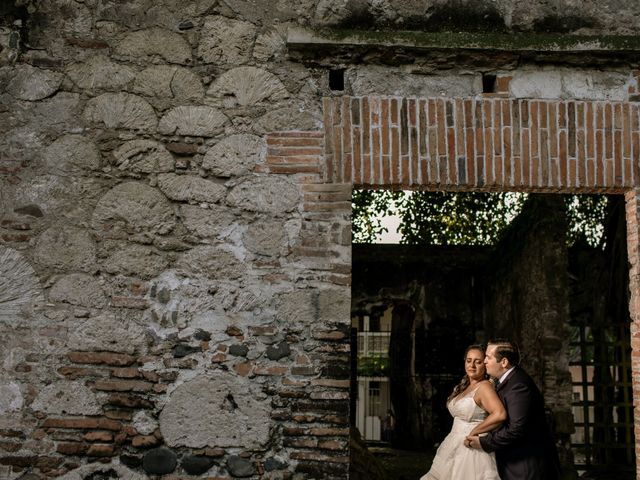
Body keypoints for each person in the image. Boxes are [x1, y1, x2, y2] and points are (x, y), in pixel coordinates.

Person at [465, 340, 561, 480]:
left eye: (488, 357)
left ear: (503, 362)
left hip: (525, 467)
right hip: (515, 462)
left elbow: (516, 429)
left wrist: (484, 442)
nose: (484, 361)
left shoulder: (518, 386)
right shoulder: (509, 380)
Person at [420, 344, 506, 480]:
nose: (472, 365)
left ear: (485, 365)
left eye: (477, 362)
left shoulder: (484, 387)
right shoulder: (464, 386)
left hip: (471, 449)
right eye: (469, 360)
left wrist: (474, 431)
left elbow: (500, 414)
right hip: (453, 443)